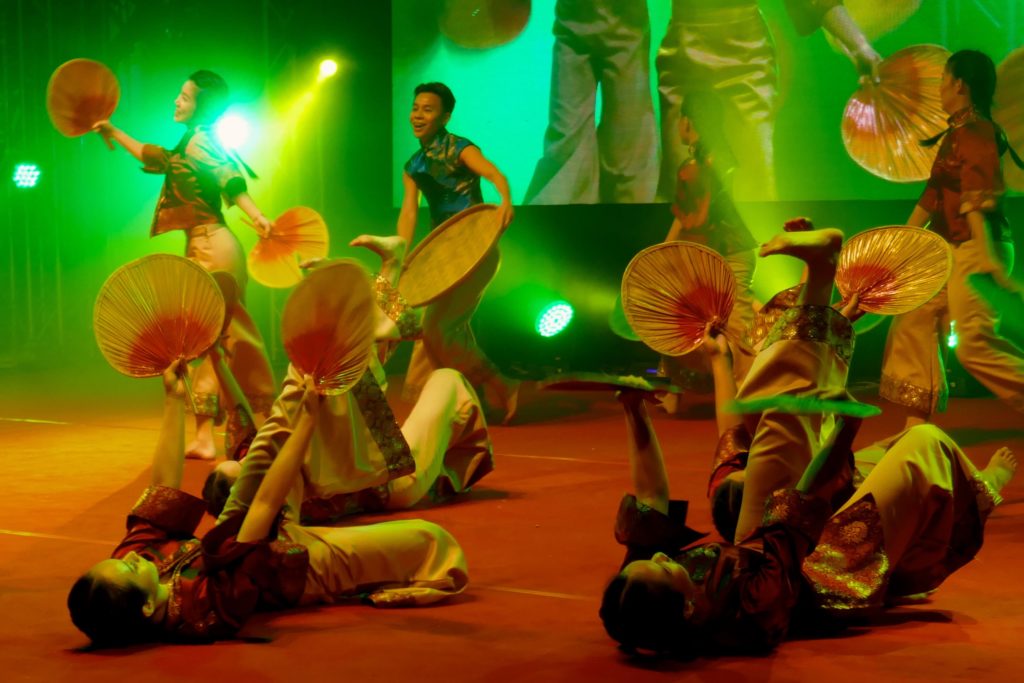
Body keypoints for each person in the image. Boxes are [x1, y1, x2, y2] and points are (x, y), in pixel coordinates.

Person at [599, 227, 1017, 655]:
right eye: (665, 569)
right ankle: (982, 490)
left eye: (651, 560)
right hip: (830, 566)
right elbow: (803, 503)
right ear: (689, 608)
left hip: (788, 519)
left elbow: (713, 449)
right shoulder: (753, 604)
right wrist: (845, 429)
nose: (666, 557)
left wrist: (639, 407)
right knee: (922, 442)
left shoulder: (647, 583)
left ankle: (819, 278)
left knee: (778, 411)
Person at [68, 359, 468, 646]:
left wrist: (175, 400)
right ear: (146, 608)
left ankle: (309, 367)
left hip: (249, 532)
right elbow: (261, 508)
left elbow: (162, 488)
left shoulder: (140, 566)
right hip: (303, 566)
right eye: (128, 567)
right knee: (431, 539)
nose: (133, 557)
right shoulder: (203, 609)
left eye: (123, 558)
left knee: (258, 450)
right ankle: (323, 376)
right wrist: (307, 425)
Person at [203, 236, 494, 523]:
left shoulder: (255, 459)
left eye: (240, 460)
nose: (247, 461)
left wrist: (216, 357)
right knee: (446, 380)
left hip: (366, 450)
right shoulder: (285, 497)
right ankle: (376, 304)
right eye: (244, 470)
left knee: (341, 364)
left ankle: (387, 272)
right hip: (395, 481)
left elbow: (238, 412)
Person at [94, 70, 275, 460]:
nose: (177, 101)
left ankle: (256, 423)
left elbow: (230, 179)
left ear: (200, 107)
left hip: (213, 245)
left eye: (185, 97)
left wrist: (257, 215)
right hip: (204, 245)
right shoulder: (190, 142)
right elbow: (154, 155)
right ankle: (238, 428)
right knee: (207, 340)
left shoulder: (203, 140)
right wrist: (114, 131)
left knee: (222, 338)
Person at [880, 50, 1024, 429]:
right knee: (913, 319)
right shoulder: (958, 132)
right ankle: (915, 428)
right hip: (952, 250)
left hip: (978, 246)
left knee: (975, 345)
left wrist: (989, 260)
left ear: (959, 84)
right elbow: (933, 194)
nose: (940, 88)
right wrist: (904, 242)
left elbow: (976, 196)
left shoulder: (976, 131)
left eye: (943, 79)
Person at [656, 0, 881, 201]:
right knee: (681, 185)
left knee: (757, 184)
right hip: (684, 56)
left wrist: (859, 45)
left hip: (746, 56)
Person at [398, 81, 518, 422]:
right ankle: (460, 399)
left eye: (428, 109)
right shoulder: (413, 165)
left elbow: (494, 173)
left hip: (476, 249)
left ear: (445, 116)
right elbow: (409, 212)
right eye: (416, 108)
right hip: (442, 256)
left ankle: (498, 382)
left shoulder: (460, 148)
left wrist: (505, 200)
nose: (418, 115)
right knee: (440, 329)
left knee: (437, 327)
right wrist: (401, 256)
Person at [658, 92, 758, 412]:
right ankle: (673, 389)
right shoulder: (715, 161)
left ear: (691, 124)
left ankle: (749, 394)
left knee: (737, 325)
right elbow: (685, 218)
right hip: (710, 252)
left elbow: (694, 218)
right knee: (676, 317)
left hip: (728, 252)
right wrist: (663, 251)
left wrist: (667, 250)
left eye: (680, 119)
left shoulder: (701, 167)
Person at [522, 0, 658, 204]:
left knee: (629, 138)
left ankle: (634, 218)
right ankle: (558, 221)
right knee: (566, 138)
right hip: (573, 22)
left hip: (626, 24)